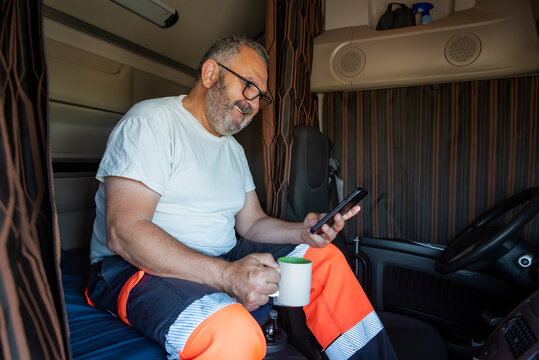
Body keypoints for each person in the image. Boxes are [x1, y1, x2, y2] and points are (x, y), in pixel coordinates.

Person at [87, 35, 396, 360]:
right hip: (132, 268)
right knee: (233, 332)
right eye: (248, 85)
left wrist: (301, 232)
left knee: (323, 259)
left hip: (221, 253)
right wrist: (225, 274)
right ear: (210, 74)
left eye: (261, 95)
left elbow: (252, 223)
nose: (253, 103)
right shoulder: (151, 122)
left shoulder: (232, 150)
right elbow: (124, 232)